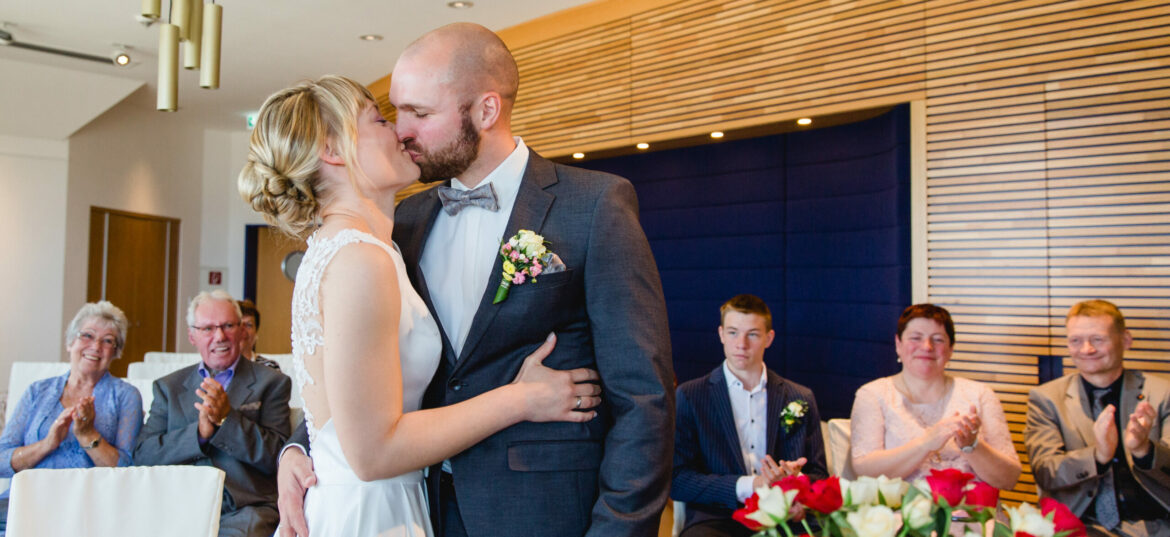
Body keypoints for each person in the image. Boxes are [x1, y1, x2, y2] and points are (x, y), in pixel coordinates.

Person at [276, 23, 674, 537]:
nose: (402, 130)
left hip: (546, 515)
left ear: (486, 111)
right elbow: (354, 366)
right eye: (396, 113)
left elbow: (645, 398)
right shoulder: (404, 220)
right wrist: (300, 446)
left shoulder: (594, 206)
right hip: (421, 509)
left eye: (420, 113)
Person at [238, 75, 603, 537]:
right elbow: (372, 453)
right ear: (333, 150)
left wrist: (297, 449)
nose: (401, 132)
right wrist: (522, 398)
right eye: (379, 119)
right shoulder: (359, 259)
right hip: (372, 513)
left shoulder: (361, 247)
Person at [133, 290, 292, 537]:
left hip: (245, 508)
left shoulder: (271, 383)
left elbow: (278, 457)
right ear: (192, 335)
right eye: (208, 329)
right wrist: (198, 435)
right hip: (179, 507)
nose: (220, 336)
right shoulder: (169, 388)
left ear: (242, 330)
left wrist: (226, 420)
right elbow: (143, 455)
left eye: (228, 326)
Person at [672, 295, 827, 537]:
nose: (741, 344)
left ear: (769, 338)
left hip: (787, 514)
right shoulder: (691, 396)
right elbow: (677, 479)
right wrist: (750, 485)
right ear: (721, 334)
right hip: (719, 518)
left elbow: (818, 476)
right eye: (733, 333)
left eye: (752, 334)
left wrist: (793, 481)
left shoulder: (799, 397)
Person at [1025, 300, 1169, 537]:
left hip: (1156, 523)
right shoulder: (1047, 398)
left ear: (1125, 340)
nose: (1086, 349)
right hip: (1081, 525)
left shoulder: (1163, 393)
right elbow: (1045, 472)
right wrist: (1098, 456)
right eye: (1076, 341)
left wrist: (1145, 450)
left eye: (1098, 339)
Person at [0, 301, 143, 534]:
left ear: (116, 352)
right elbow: (1, 460)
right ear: (70, 342)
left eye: (108, 341)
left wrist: (88, 435)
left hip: (86, 512)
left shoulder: (126, 396)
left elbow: (127, 471)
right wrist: (46, 444)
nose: (96, 346)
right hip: (24, 507)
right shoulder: (37, 391)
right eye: (87, 335)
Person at [850, 304, 1020, 491]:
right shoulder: (873, 394)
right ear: (898, 344)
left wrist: (972, 446)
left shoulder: (980, 394)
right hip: (901, 516)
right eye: (916, 338)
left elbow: (1009, 479)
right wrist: (926, 443)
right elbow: (865, 472)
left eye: (938, 340)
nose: (927, 347)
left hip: (972, 515)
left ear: (950, 349)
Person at [237, 299, 281, 370]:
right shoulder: (219, 365)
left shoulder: (270, 367)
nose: (243, 329)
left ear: (256, 332)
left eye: (249, 325)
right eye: (239, 324)